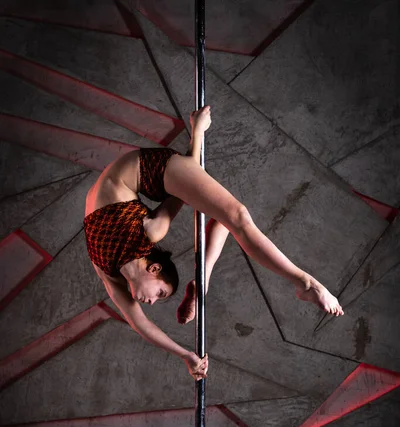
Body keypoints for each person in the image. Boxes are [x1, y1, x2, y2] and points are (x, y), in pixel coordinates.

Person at [84, 106, 343, 381]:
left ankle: (303, 283)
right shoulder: (131, 250)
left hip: (147, 170)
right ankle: (210, 277)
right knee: (230, 219)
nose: (151, 302)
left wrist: (197, 134)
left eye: (159, 295)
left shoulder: (127, 252)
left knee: (236, 218)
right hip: (146, 177)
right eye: (160, 295)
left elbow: (184, 187)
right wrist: (184, 355)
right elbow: (140, 325)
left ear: (155, 269)